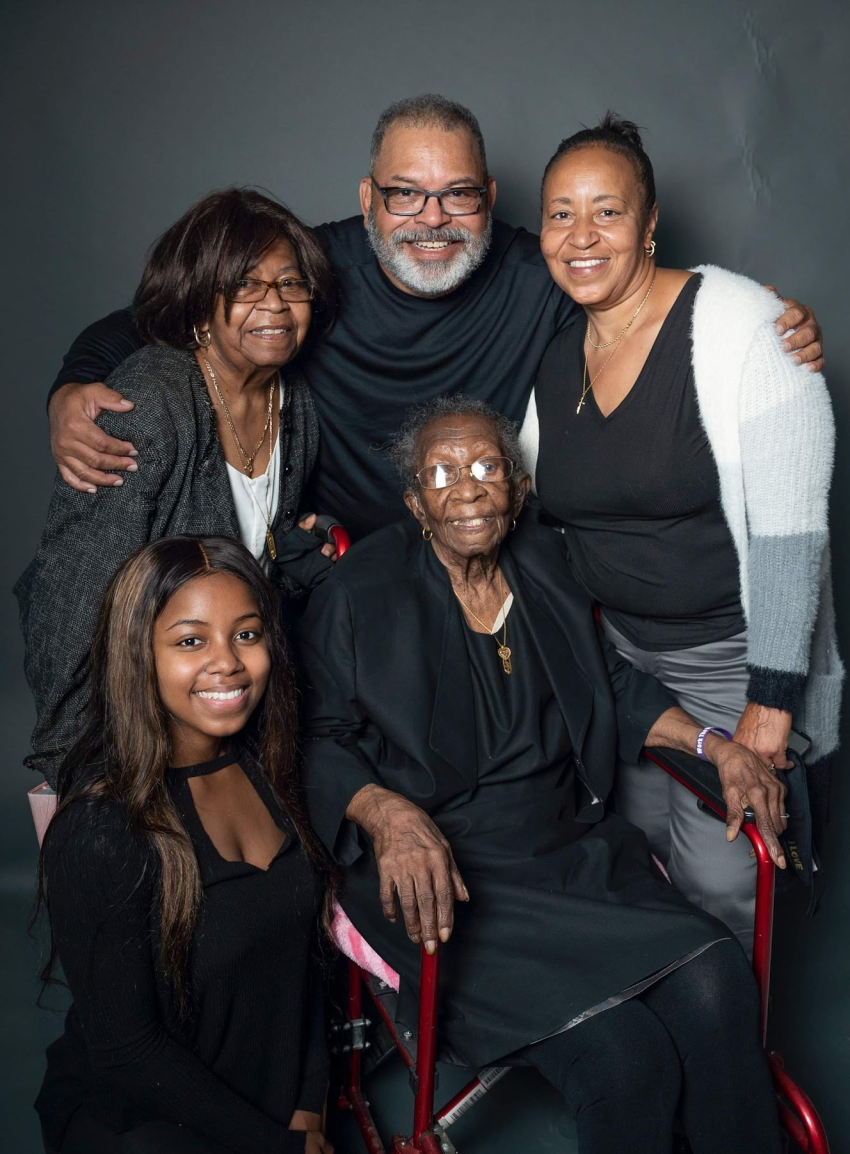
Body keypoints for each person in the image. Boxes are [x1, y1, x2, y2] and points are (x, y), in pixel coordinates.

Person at [299, 398, 784, 1153]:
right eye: (442, 473)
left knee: (718, 984)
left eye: (487, 467)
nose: (467, 487)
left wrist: (715, 745)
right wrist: (386, 814)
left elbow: (612, 683)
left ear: (518, 490)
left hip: (573, 852)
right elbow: (318, 736)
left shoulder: (547, 565)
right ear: (416, 504)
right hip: (447, 873)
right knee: (624, 1059)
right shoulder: (357, 593)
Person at [42, 95, 823, 540]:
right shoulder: (308, 269)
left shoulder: (544, 271)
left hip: (497, 550)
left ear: (488, 196)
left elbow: (647, 297)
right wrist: (72, 388)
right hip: (340, 564)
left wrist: (758, 325)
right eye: (405, 194)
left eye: (457, 194)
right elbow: (150, 318)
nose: (432, 218)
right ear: (367, 199)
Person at [519, 114, 841, 949]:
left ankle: (727, 1034)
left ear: (650, 221)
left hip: (731, 662)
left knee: (722, 888)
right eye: (560, 214)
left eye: (608, 212)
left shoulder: (743, 327)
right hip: (623, 665)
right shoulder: (556, 357)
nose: (581, 236)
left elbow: (792, 533)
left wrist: (771, 702)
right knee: (638, 869)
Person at [16, 188, 338, 786]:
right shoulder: (149, 406)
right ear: (198, 301)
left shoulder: (293, 403)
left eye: (291, 284)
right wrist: (76, 774)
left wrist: (298, 560)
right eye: (245, 285)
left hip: (225, 708)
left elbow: (242, 565)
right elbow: (67, 610)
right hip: (132, 728)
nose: (274, 303)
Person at [35, 535, 334, 1154]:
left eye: (246, 634)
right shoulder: (103, 826)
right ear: (138, 653)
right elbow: (127, 1051)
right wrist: (275, 1147)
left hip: (272, 1114)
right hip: (144, 1129)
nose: (227, 662)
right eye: (191, 641)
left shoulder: (272, 773)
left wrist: (310, 1104)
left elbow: (302, 962)